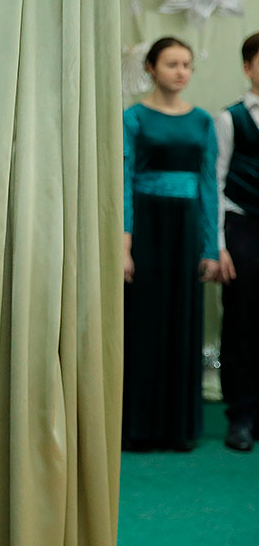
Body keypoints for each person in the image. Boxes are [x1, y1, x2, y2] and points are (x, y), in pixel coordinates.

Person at [122, 36, 219, 451]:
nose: (181, 72)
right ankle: (140, 427)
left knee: (182, 321)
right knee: (144, 323)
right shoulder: (133, 118)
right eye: (172, 64)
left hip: (186, 230)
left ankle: (177, 427)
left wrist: (210, 248)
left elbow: (209, 185)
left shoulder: (202, 121)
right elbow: (123, 183)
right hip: (147, 227)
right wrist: (124, 246)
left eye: (187, 65)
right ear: (150, 68)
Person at [215, 32, 259, 452]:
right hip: (242, 227)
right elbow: (215, 181)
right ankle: (240, 415)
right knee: (241, 322)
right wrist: (219, 245)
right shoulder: (229, 119)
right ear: (248, 67)